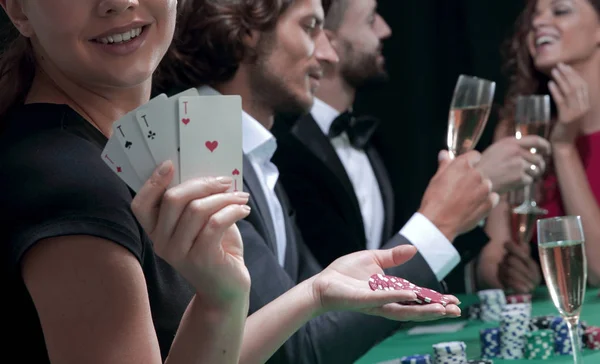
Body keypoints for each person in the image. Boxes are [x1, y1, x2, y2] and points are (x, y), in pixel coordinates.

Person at [0, 1, 461, 363]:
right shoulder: (68, 181)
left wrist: (312, 294)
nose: (120, 2)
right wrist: (221, 301)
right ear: (18, 8)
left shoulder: (110, 149)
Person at [156, 0, 496, 362]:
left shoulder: (253, 154)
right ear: (248, 31)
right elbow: (298, 350)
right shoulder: (192, 150)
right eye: (310, 27)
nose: (329, 52)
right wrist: (438, 225)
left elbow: (320, 305)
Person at [269, 0, 551, 294]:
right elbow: (337, 286)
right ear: (329, 41)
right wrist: (480, 179)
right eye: (370, 20)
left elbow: (401, 254)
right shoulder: (286, 151)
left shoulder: (372, 142)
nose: (386, 30)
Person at [480, 0, 600, 293]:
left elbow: (598, 272)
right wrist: (510, 274)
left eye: (560, 11)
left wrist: (563, 147)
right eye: (535, 15)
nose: (537, 23)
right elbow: (493, 250)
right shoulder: (517, 129)